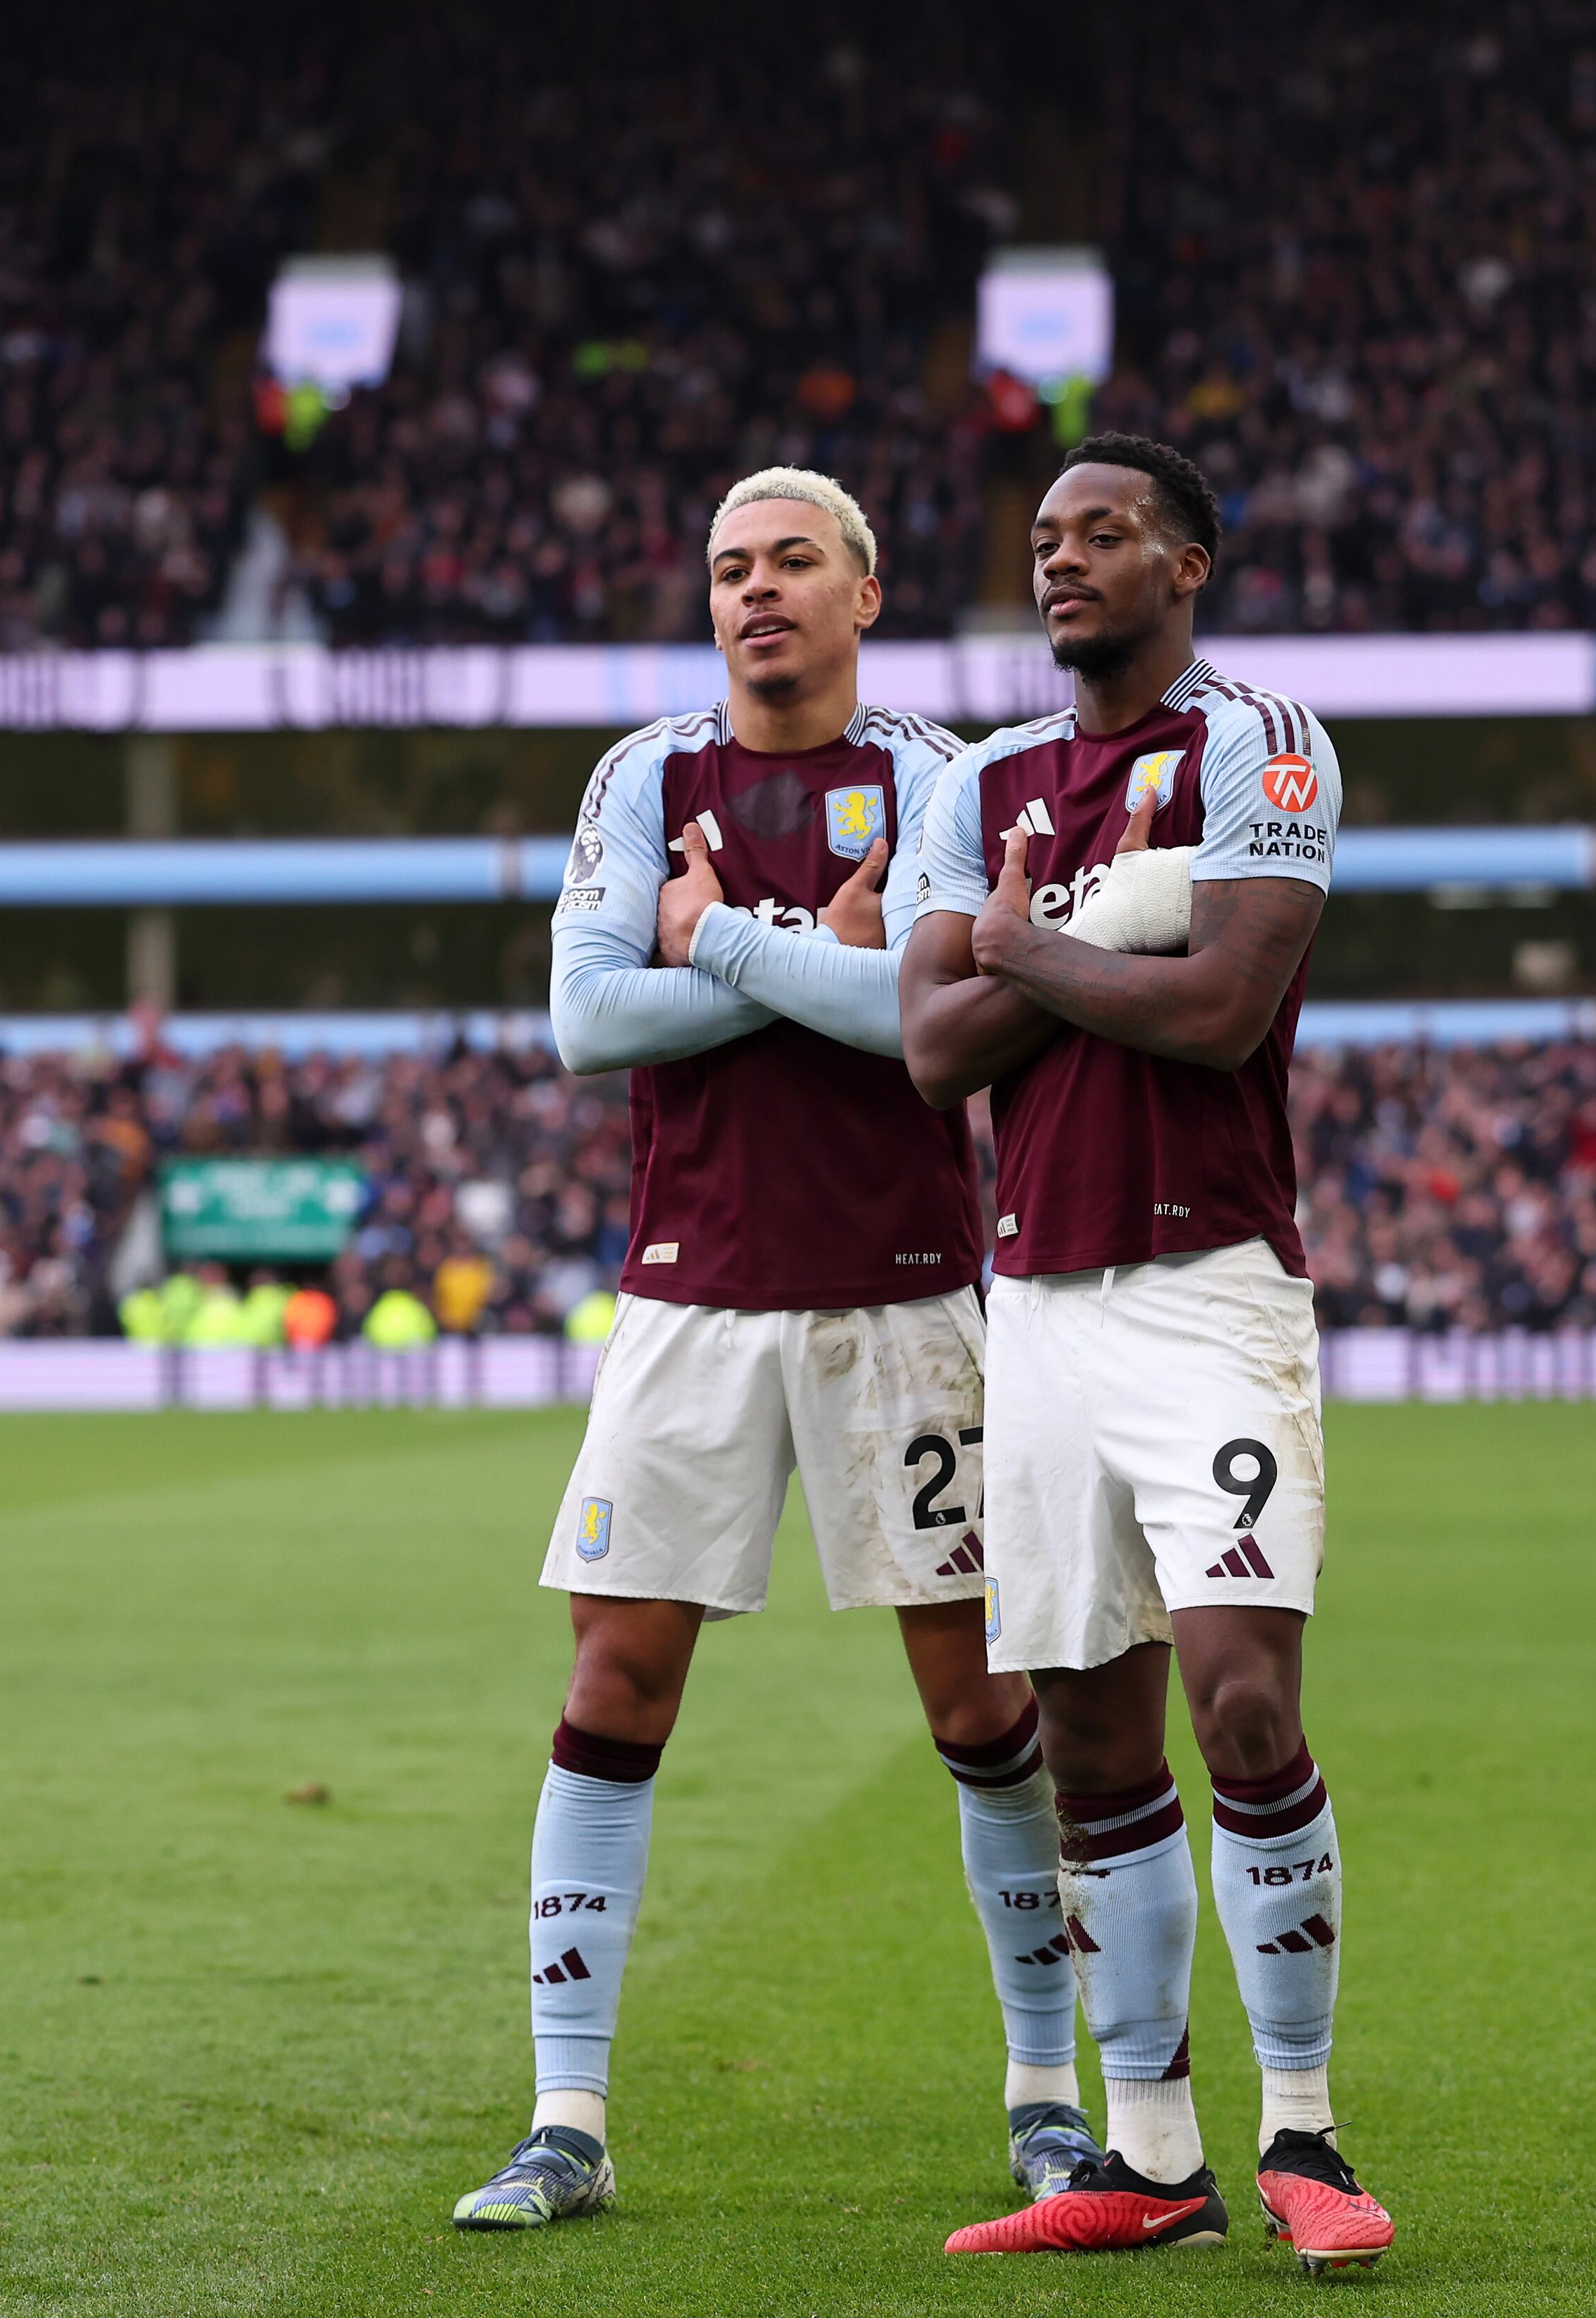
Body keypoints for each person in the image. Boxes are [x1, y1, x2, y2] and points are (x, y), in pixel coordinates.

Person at [450, 470, 1094, 2232]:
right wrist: (823, 953)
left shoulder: (947, 779)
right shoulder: (646, 771)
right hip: (689, 1300)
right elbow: (591, 1019)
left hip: (905, 1300)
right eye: (730, 567)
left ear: (865, 592)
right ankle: (565, 2116)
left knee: (981, 1705)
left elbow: (928, 1021)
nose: (756, 592)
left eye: (793, 562)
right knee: (610, 1692)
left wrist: (725, 939)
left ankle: (1048, 2097)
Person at [899, 434, 1393, 2273]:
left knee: (1242, 1697)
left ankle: (1309, 2134)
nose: (1064, 560)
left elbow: (1225, 1004)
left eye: (1104, 533)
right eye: (1043, 537)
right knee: (1089, 1735)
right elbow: (932, 1054)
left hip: (1211, 1290)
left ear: (1189, 561)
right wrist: (1075, 938)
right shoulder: (982, 780)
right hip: (1034, 1305)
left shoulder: (1261, 742)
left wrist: (1021, 946)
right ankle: (1156, 2157)